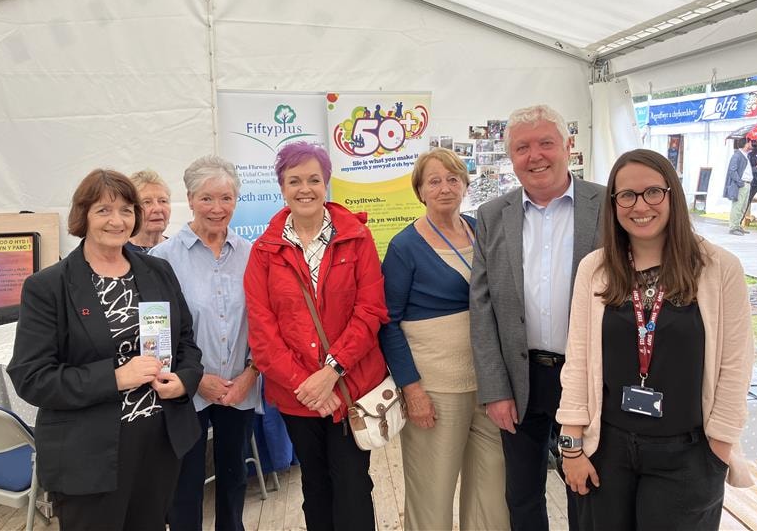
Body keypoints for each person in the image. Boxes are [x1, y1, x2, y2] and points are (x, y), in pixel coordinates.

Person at [557, 148, 754, 531]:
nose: (639, 205)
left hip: (689, 454)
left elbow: (735, 365)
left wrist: (720, 447)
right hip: (607, 451)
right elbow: (578, 360)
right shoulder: (595, 270)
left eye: (652, 192)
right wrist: (571, 446)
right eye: (626, 195)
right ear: (614, 204)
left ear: (672, 195)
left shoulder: (718, 269)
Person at [7, 169, 203, 531]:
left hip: (159, 443)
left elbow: (186, 342)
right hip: (89, 455)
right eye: (104, 210)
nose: (118, 221)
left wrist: (184, 381)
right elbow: (31, 377)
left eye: (127, 210)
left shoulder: (158, 271)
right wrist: (113, 378)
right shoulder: (48, 287)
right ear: (83, 216)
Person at [470, 104, 605, 531]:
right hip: (521, 378)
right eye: (522, 147)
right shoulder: (492, 216)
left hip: (588, 377)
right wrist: (495, 389)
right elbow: (483, 306)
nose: (535, 155)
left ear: (568, 146)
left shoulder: (606, 205)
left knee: (586, 486)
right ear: (511, 157)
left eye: (546, 142)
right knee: (523, 494)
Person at [244, 142, 388, 531]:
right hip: (297, 396)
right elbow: (263, 330)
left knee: (353, 483)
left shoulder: (357, 238)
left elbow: (370, 311)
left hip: (349, 387)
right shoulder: (264, 251)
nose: (304, 188)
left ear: (326, 183)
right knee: (315, 484)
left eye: (313, 179)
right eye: (294, 181)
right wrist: (305, 385)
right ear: (282, 187)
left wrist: (331, 373)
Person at [379, 148, 509, 530]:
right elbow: (388, 323)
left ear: (466, 184)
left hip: (489, 385)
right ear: (420, 190)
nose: (445, 188)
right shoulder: (404, 247)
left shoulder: (480, 230)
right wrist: (412, 390)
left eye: (453, 178)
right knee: (432, 495)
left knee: (491, 493)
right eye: (434, 181)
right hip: (436, 389)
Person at [150, 155, 261, 531]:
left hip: (239, 387)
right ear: (190, 199)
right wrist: (197, 380)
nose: (217, 208)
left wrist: (250, 375)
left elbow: (265, 323)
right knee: (184, 485)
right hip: (187, 390)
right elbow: (155, 336)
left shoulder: (251, 255)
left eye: (226, 198)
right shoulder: (162, 259)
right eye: (207, 198)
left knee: (233, 479)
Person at [126, 169, 172, 252]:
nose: (158, 209)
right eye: (147, 202)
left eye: (163, 201)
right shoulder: (119, 253)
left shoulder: (178, 250)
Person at [723, 138, 753, 236]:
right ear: (746, 144)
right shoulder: (737, 155)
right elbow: (732, 171)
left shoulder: (745, 155)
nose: (751, 144)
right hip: (741, 185)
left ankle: (737, 225)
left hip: (746, 184)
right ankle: (733, 227)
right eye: (750, 142)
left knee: (743, 207)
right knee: (737, 206)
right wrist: (740, 183)